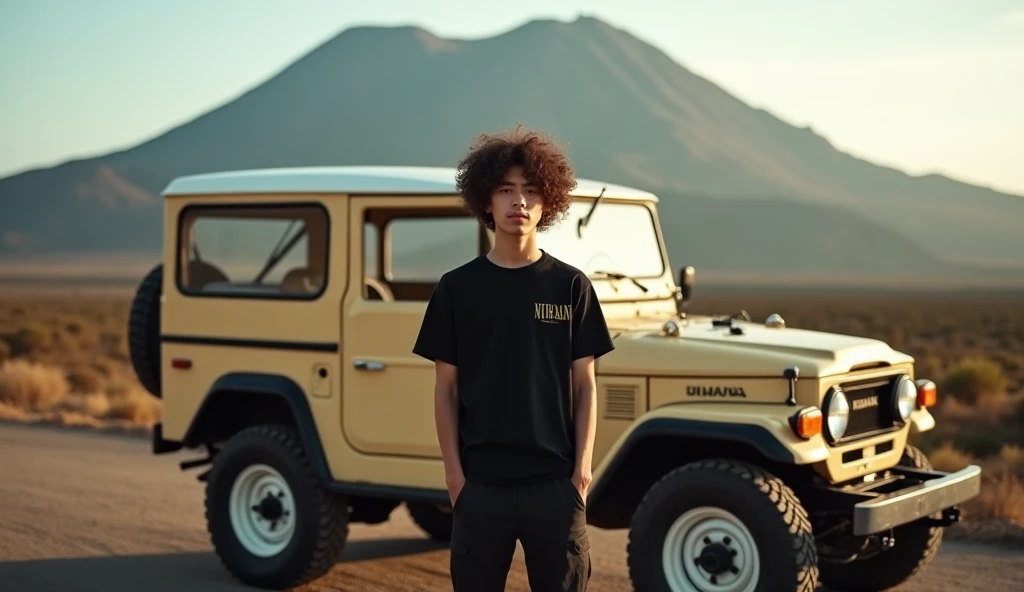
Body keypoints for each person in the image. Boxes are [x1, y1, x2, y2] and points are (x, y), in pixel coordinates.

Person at [412, 125, 615, 592]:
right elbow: (445, 388)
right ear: (487, 200)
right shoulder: (456, 289)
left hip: (555, 486)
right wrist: (455, 479)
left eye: (530, 190)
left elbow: (585, 385)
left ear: (549, 203)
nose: (518, 202)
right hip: (480, 487)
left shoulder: (571, 286)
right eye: (506, 190)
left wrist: (581, 474)